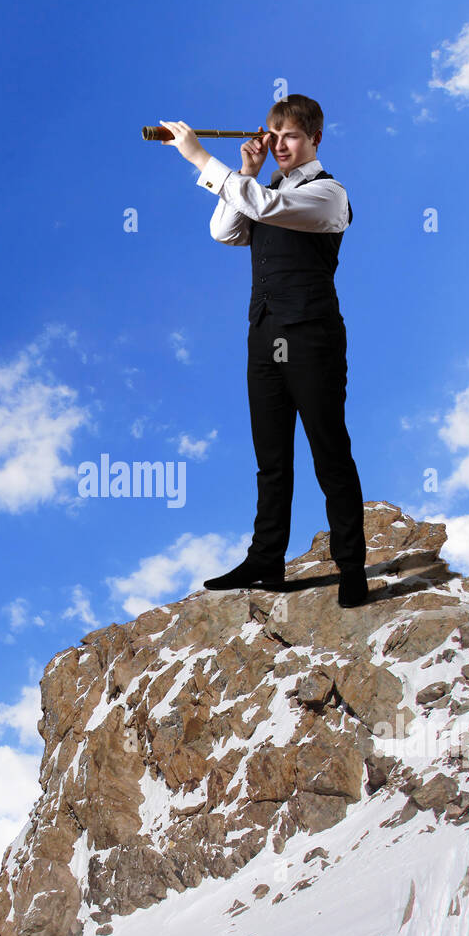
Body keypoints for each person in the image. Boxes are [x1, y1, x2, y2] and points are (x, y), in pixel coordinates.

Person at [157, 94, 369, 608]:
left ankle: (352, 567)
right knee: (271, 458)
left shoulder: (329, 194)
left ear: (315, 138)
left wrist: (204, 160)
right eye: (275, 137)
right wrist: (246, 171)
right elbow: (224, 231)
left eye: (291, 136)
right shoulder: (262, 187)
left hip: (312, 336)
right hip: (264, 335)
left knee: (329, 450)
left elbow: (267, 208)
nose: (280, 146)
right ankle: (266, 561)